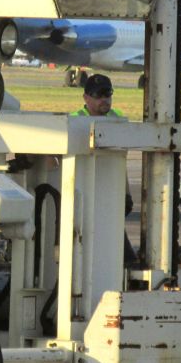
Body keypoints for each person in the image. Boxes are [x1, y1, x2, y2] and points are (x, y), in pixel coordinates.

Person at [70, 73, 138, 264]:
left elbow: (122, 154)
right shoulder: (74, 120)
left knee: (112, 232)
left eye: (108, 94)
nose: (104, 99)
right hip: (84, 190)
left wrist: (126, 194)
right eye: (98, 95)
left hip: (111, 189)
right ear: (86, 98)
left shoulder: (118, 119)